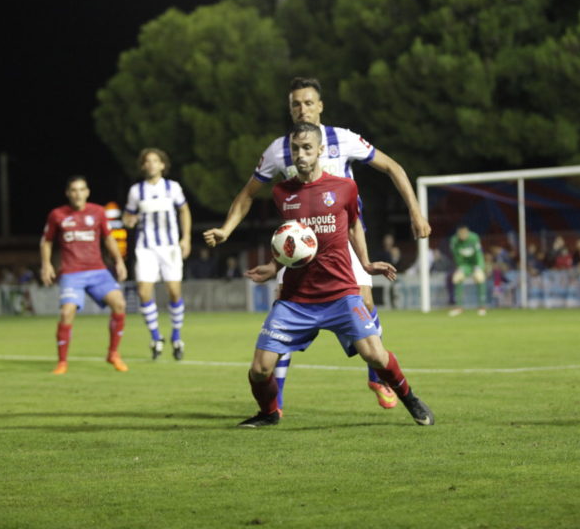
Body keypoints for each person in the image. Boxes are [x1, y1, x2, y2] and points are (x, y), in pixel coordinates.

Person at [203, 77, 432, 412]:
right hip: (296, 247)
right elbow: (248, 194)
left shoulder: (343, 138)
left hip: (344, 241)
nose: (302, 109)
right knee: (283, 315)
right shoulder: (279, 149)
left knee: (365, 302)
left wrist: (415, 212)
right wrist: (227, 228)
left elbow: (392, 167)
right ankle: (274, 403)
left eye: (308, 102)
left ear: (320, 106)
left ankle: (377, 376)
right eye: (295, 103)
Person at [238, 123, 434, 427]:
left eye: (306, 148)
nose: (300, 155)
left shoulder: (344, 187)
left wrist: (366, 265)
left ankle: (410, 399)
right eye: (294, 149)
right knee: (260, 369)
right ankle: (269, 413)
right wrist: (274, 266)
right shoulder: (281, 192)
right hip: (296, 299)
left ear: (320, 151)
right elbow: (291, 240)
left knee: (376, 356)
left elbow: (354, 225)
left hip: (341, 293)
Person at [41, 175, 130, 375]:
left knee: (119, 304)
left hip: (98, 270)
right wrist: (46, 265)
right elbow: (46, 241)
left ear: (87, 192)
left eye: (81, 189)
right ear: (68, 193)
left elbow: (109, 239)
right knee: (67, 313)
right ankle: (62, 362)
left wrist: (119, 261)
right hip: (72, 273)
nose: (78, 194)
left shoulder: (98, 212)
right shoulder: (57, 215)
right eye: (74, 190)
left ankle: (113, 353)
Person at [123, 148, 192, 361]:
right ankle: (155, 337)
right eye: (147, 161)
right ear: (143, 166)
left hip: (170, 247)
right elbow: (128, 216)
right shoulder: (136, 191)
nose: (151, 164)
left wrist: (186, 238)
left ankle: (177, 336)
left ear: (163, 165)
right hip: (145, 248)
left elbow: (184, 211)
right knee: (144, 293)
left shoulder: (173, 187)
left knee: (174, 292)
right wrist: (129, 221)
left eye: (155, 161)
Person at [448, 225, 488, 316]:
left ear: (467, 232)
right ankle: (459, 307)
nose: (462, 235)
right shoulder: (454, 241)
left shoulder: (474, 238)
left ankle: (482, 307)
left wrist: (479, 266)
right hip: (464, 265)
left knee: (480, 277)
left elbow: (479, 253)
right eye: (460, 234)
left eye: (464, 233)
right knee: (457, 278)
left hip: (475, 264)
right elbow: (456, 256)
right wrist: (460, 267)